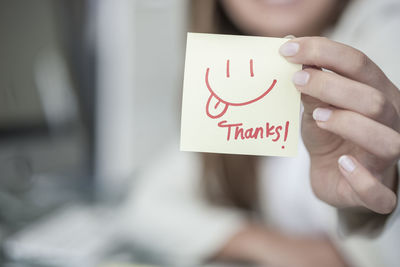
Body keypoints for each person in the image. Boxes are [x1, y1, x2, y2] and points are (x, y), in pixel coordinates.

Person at [119, 0, 400, 266]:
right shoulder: (237, 78)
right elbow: (149, 203)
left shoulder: (389, 39)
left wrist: (379, 193)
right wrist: (272, 245)